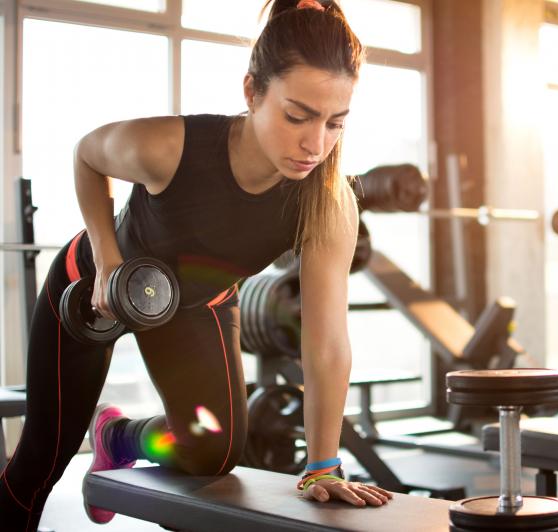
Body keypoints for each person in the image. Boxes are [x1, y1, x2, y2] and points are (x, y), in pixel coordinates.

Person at [0, 0, 393, 529]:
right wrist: (109, 260)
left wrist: (322, 467)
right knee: (42, 460)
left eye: (335, 124)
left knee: (215, 451)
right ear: (253, 91)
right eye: (298, 116)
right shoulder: (171, 146)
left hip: (194, 303)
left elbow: (325, 342)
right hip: (96, 286)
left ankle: (119, 436)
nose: (314, 144)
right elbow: (87, 155)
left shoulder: (327, 202)